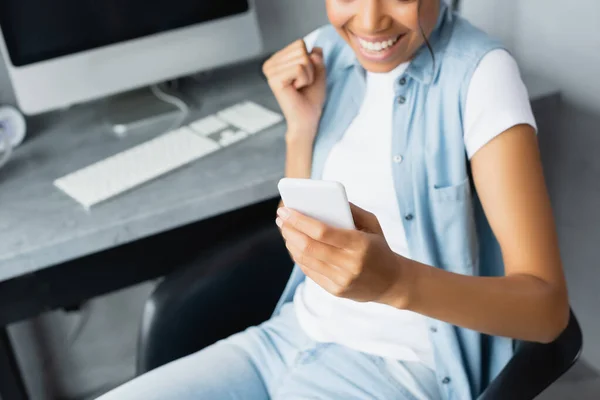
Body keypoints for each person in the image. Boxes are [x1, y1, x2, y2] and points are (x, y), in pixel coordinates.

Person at [98, 1, 569, 399]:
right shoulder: (329, 53)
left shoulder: (481, 76)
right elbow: (306, 243)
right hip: (285, 340)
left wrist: (397, 282)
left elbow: (547, 313)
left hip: (399, 370)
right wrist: (301, 130)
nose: (369, 22)